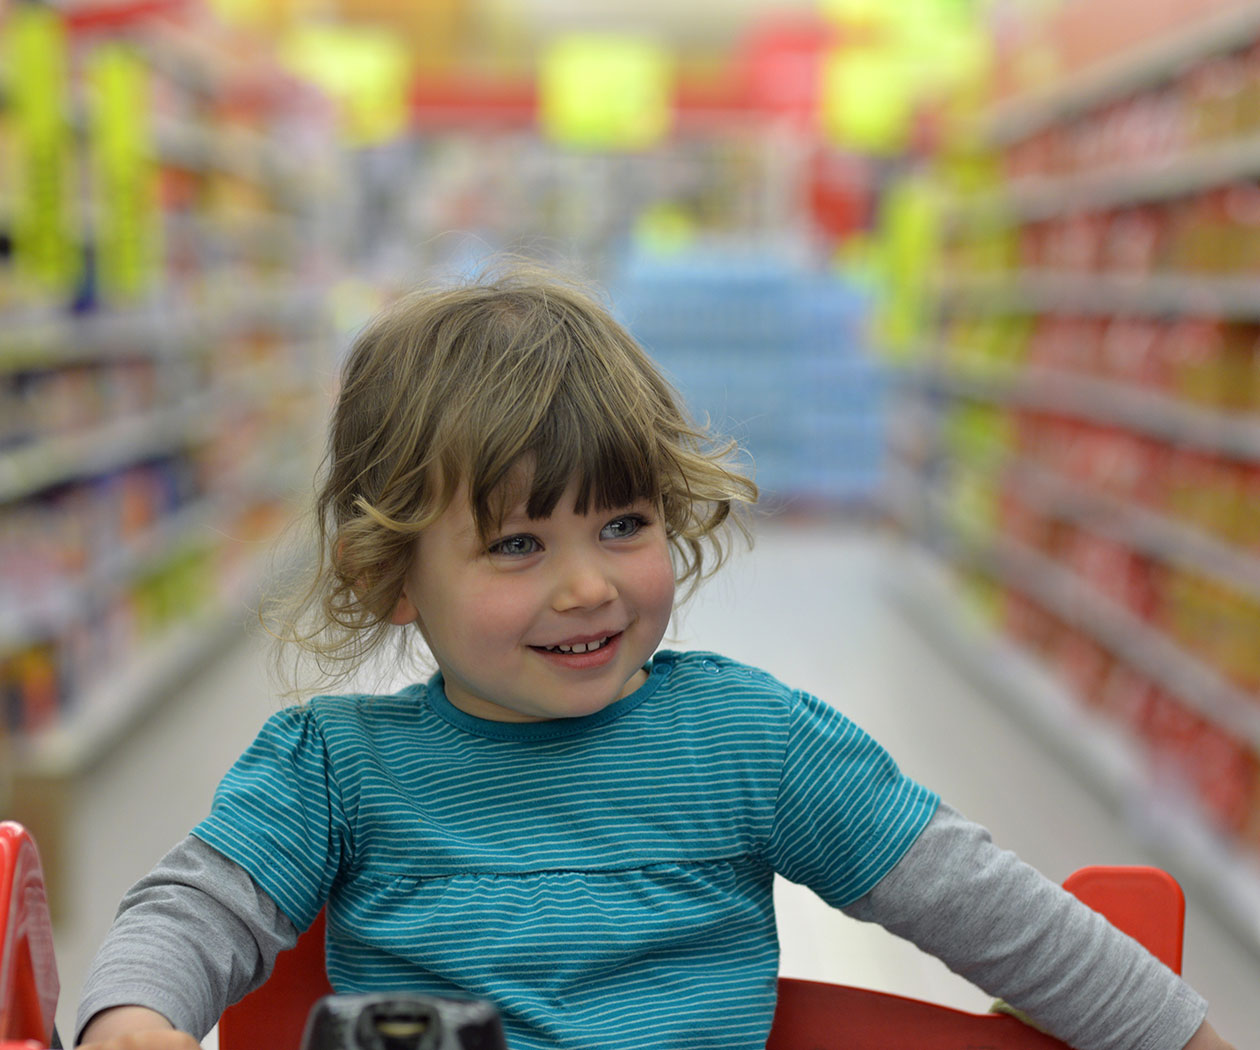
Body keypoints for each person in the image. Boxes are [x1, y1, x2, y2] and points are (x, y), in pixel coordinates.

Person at [76, 265, 1236, 1050]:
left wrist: (1179, 1036)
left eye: (623, 525)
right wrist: (131, 1016)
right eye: (519, 544)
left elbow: (982, 904)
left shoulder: (757, 746)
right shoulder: (332, 771)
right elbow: (195, 911)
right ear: (391, 579)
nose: (587, 584)